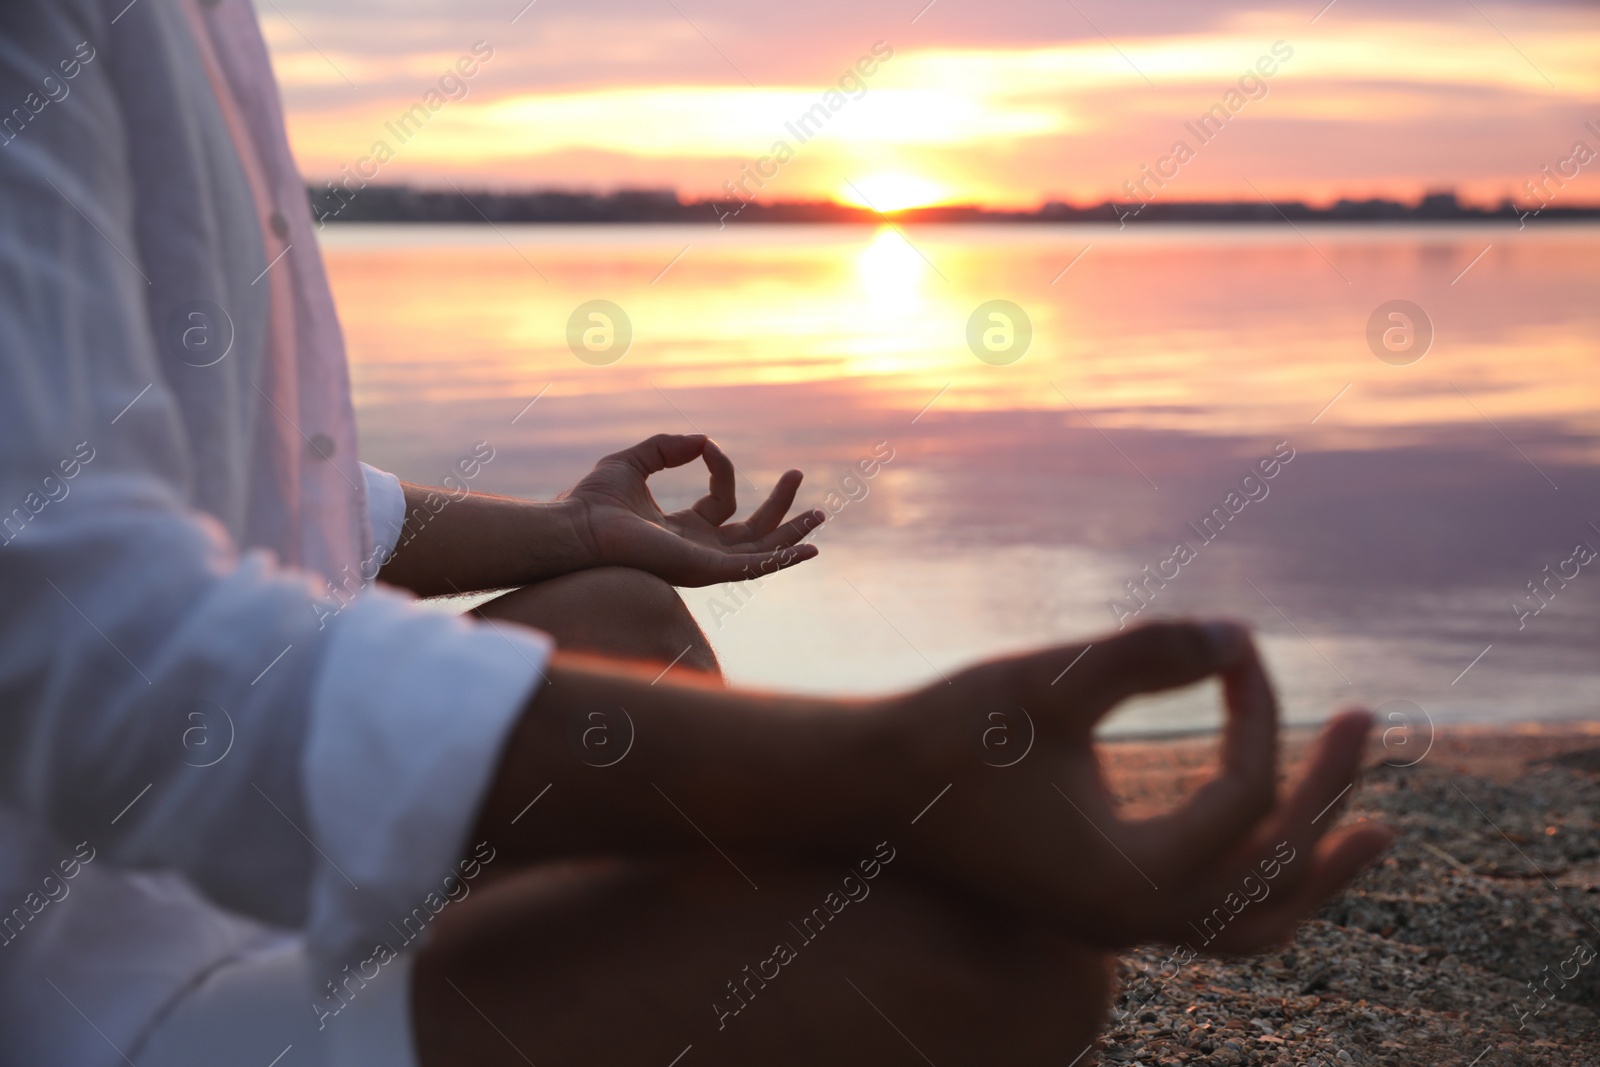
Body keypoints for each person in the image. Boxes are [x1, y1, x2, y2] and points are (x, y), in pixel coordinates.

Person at [0, 2, 1392, 1064]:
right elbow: (85, 648)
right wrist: (890, 763)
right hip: (92, 995)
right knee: (985, 955)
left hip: (193, 897)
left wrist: (566, 527)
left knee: (612, 611)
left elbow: (232, 494)